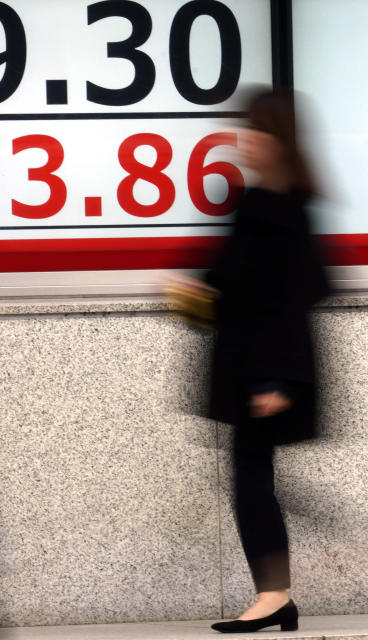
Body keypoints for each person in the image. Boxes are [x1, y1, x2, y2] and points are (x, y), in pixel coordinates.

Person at [171, 90, 329, 633]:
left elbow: (298, 293)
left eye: (255, 131)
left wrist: (275, 377)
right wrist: (195, 293)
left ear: (278, 139)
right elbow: (235, 283)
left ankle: (275, 596)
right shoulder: (256, 203)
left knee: (252, 478)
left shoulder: (283, 209)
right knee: (251, 477)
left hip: (264, 370)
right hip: (247, 366)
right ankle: (274, 595)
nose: (245, 140)